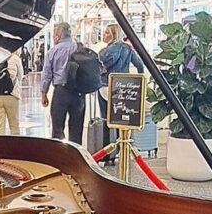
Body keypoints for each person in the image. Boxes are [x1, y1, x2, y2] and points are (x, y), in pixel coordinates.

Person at [96, 24, 144, 153]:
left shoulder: (104, 52)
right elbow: (140, 65)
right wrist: (139, 81)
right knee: (120, 120)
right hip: (122, 87)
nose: (104, 35)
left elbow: (99, 68)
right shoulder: (128, 48)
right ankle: (123, 149)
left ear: (113, 35)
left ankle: (107, 153)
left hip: (105, 86)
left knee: (106, 120)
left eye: (106, 32)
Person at [41, 22, 85, 144]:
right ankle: (75, 155)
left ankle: (59, 156)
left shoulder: (53, 51)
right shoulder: (80, 48)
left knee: (57, 128)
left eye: (54, 34)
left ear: (58, 35)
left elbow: (47, 74)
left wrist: (44, 93)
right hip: (79, 92)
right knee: (76, 128)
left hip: (61, 92)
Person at [0, 50, 24, 135]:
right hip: (11, 94)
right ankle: (14, 147)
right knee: (14, 126)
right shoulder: (15, 58)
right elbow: (20, 76)